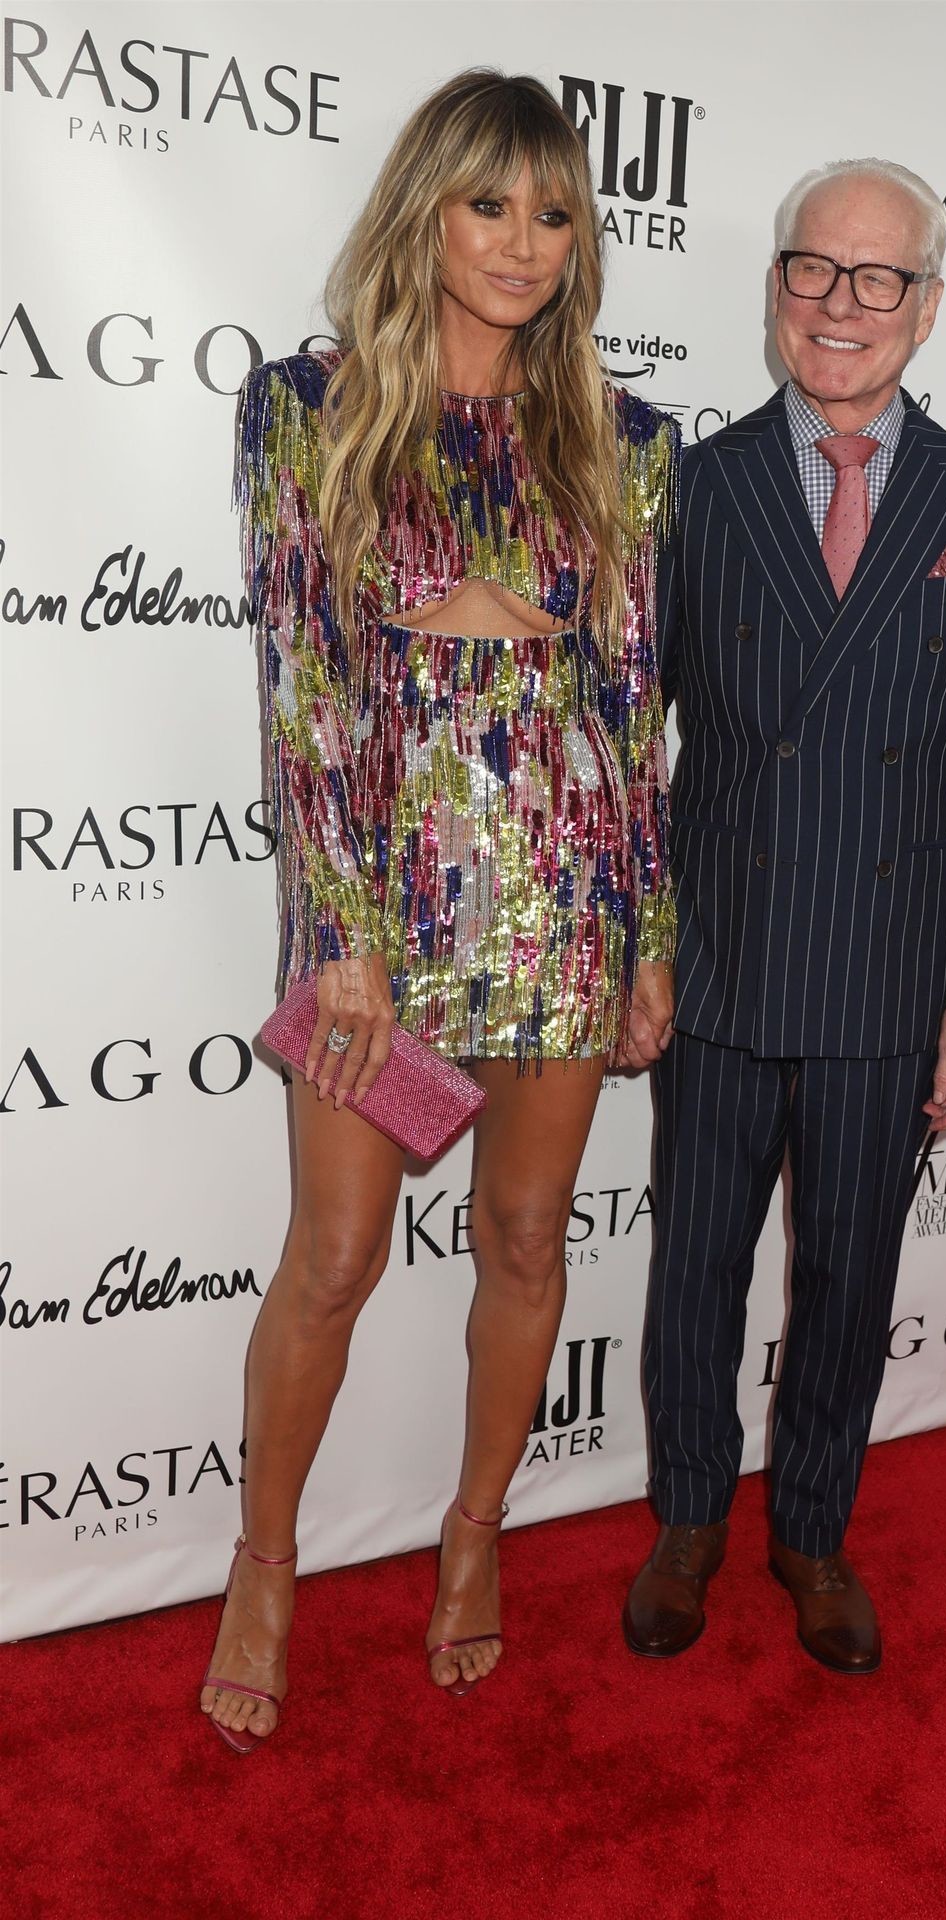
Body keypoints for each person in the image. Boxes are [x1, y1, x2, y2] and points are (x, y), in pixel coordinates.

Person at [200, 68, 679, 1752]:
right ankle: (265, 1563)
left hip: (566, 892)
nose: (523, 243)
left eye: (553, 213)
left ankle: (474, 1537)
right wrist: (342, 940)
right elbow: (304, 680)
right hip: (383, 912)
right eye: (491, 204)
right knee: (334, 1256)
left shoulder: (625, 442)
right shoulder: (307, 408)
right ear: (428, 210)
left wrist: (651, 936)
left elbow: (632, 704)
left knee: (528, 1238)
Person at [625, 158, 946, 1674]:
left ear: (927, 308)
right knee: (695, 1267)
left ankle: (812, 1532)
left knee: (851, 1278)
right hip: (723, 957)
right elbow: (630, 736)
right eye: (814, 269)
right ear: (774, 290)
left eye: (879, 278)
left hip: (892, 974)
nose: (841, 304)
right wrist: (641, 946)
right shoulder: (696, 485)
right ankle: (689, 1518)